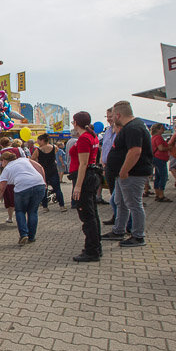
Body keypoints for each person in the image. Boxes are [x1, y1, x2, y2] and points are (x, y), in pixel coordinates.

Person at [102, 100, 153, 247]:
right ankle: (119, 230)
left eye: (112, 115)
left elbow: (135, 151)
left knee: (133, 204)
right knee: (120, 202)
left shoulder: (133, 128)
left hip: (132, 174)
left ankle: (138, 235)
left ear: (118, 115)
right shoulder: (130, 127)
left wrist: (124, 170)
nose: (111, 119)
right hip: (124, 174)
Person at [68, 112, 102, 262]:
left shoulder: (83, 138)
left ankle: (92, 250)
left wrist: (78, 186)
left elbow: (83, 163)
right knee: (92, 214)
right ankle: (95, 246)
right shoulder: (92, 136)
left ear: (76, 123)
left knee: (87, 216)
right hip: (91, 176)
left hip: (85, 177)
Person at [0, 152, 46, 244]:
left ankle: (23, 234)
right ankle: (32, 237)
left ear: (5, 161)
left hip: (23, 187)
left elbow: (1, 189)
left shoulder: (7, 169)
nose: (1, 165)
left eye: (1, 162)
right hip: (39, 184)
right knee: (33, 211)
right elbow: (40, 167)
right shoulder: (24, 159)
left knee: (20, 211)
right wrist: (44, 181)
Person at [32, 134, 66, 212]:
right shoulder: (54, 147)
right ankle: (62, 206)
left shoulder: (38, 150)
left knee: (44, 189)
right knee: (57, 189)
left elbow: (32, 159)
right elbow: (55, 155)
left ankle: (45, 207)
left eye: (39, 141)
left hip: (43, 171)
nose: (38, 142)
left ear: (42, 140)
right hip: (53, 170)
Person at [150, 123, 172, 202]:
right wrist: (169, 147)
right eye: (162, 129)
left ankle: (157, 194)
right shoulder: (159, 137)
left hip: (155, 158)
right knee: (163, 176)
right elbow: (161, 148)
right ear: (158, 129)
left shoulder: (152, 138)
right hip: (160, 158)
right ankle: (161, 195)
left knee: (157, 176)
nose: (163, 130)